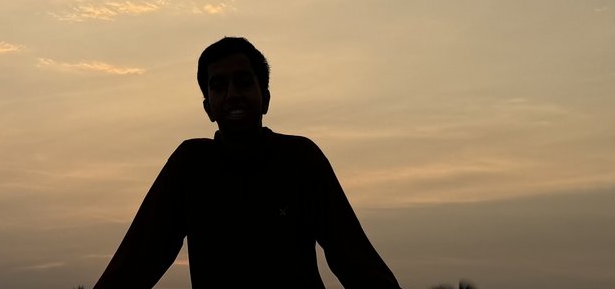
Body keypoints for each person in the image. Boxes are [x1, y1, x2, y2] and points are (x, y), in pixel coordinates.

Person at [91, 37, 401, 289]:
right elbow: (135, 264)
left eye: (243, 82)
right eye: (218, 86)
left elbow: (356, 262)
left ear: (265, 98)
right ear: (208, 107)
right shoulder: (190, 167)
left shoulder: (300, 160)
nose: (232, 95)